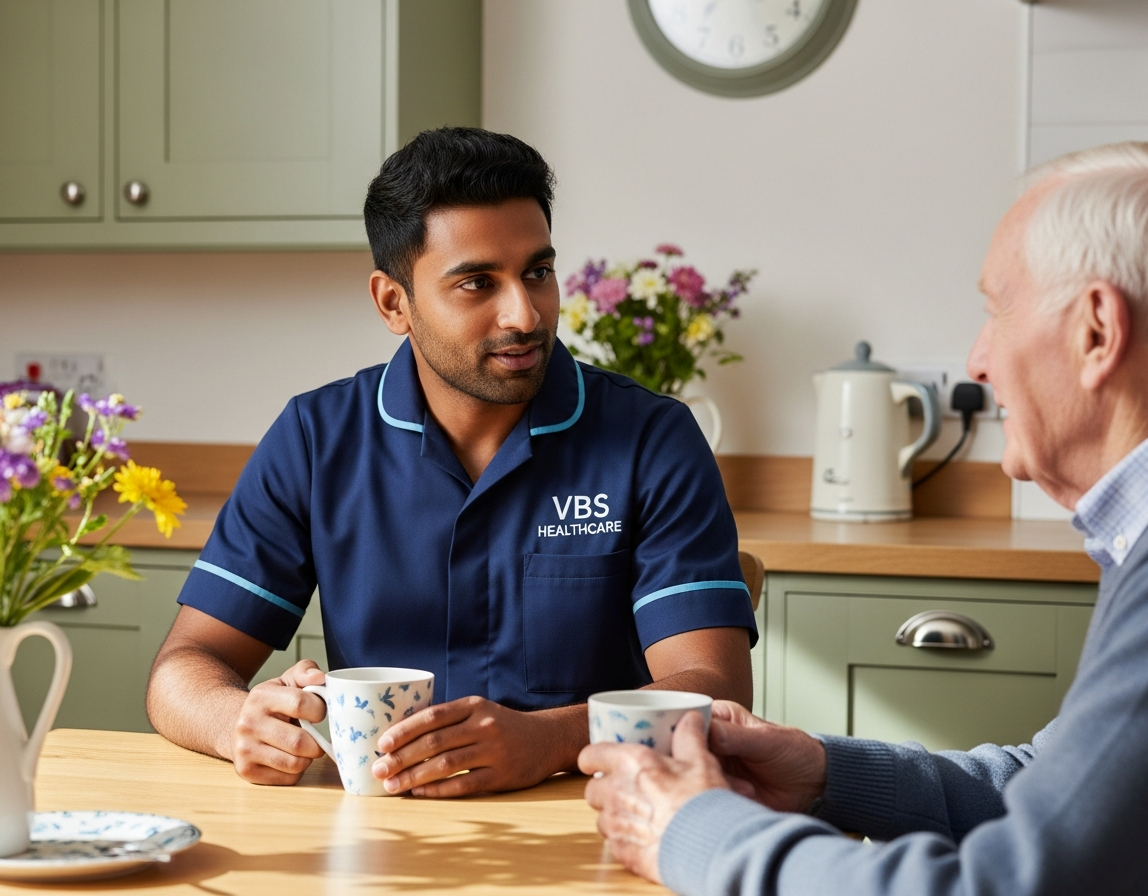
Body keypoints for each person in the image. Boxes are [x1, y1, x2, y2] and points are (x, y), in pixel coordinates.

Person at [580, 141, 1148, 895]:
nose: (978, 361)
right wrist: (826, 772)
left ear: (1097, 331)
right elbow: (1061, 790)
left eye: (996, 310)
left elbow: (1008, 887)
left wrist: (695, 832)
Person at [146, 127, 756, 798]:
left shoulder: (652, 438)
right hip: (379, 836)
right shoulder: (316, 439)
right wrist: (239, 720)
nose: (524, 314)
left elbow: (713, 688)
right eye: (477, 284)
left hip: (598, 819)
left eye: (537, 272)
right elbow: (183, 669)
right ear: (393, 303)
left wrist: (550, 740)